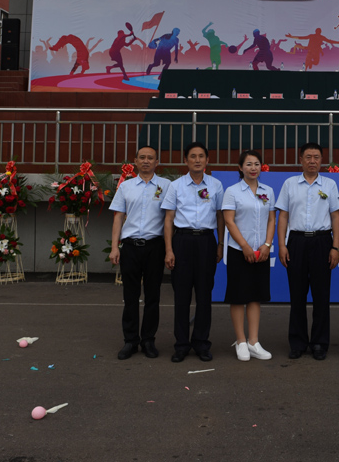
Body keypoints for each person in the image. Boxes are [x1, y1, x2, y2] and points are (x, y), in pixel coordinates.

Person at [276, 142, 339, 360]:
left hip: (322, 241)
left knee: (321, 295)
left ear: (322, 160)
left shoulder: (330, 185)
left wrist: (335, 246)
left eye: (316, 157)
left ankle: (320, 343)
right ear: (301, 160)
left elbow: (336, 217)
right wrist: (282, 245)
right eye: (308, 157)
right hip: (296, 241)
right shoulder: (289, 184)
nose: (312, 161)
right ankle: (298, 342)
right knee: (297, 295)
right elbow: (283, 216)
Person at [162, 141, 223, 363]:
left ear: (207, 160)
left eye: (201, 156)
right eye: (193, 156)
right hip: (182, 241)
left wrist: (220, 244)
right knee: (182, 295)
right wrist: (169, 250)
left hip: (207, 241)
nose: (197, 160)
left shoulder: (216, 185)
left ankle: (201, 343)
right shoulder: (175, 186)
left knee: (205, 295)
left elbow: (220, 216)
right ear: (185, 160)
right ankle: (181, 344)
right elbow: (168, 220)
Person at [108, 146, 171, 360]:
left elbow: (170, 218)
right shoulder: (126, 186)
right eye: (142, 157)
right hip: (131, 246)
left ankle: (148, 340)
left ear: (157, 162)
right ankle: (131, 341)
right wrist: (114, 246)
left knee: (153, 296)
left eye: (150, 158)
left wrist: (169, 249)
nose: (146, 161)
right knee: (130, 296)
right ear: (135, 161)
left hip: (155, 246)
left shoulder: (166, 186)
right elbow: (118, 216)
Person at [222, 150, 276, 361]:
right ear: (240, 167)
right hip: (239, 251)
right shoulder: (233, 191)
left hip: (261, 251)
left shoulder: (268, 190)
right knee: (238, 296)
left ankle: (254, 342)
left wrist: (267, 244)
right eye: (248, 164)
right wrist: (244, 246)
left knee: (255, 296)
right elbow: (229, 221)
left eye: (256, 164)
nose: (253, 168)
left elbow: (271, 220)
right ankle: (241, 341)